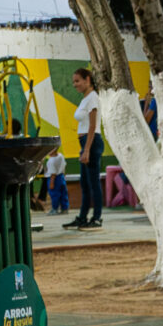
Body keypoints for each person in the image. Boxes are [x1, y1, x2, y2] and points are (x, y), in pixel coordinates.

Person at [66, 67, 105, 230]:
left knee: (94, 183)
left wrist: (87, 150)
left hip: (92, 142)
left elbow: (93, 126)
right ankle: (82, 217)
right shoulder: (85, 99)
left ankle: (96, 218)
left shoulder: (93, 98)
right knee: (85, 183)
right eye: (74, 81)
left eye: (77, 81)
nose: (75, 85)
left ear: (87, 79)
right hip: (86, 144)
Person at [44, 145, 69, 213]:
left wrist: (51, 183)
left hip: (53, 179)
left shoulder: (51, 160)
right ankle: (65, 208)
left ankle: (55, 209)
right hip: (61, 177)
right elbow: (64, 166)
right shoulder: (61, 156)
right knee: (63, 193)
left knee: (55, 194)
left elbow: (53, 173)